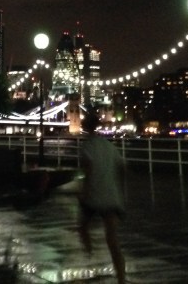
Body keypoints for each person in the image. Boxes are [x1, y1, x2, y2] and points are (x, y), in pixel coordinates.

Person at [77, 113, 126, 284]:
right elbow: (121, 167)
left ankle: (89, 253)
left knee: (82, 227)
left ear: (84, 127)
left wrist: (83, 192)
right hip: (111, 196)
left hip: (93, 196)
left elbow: (88, 171)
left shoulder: (86, 146)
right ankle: (121, 278)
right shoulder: (109, 145)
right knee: (113, 240)